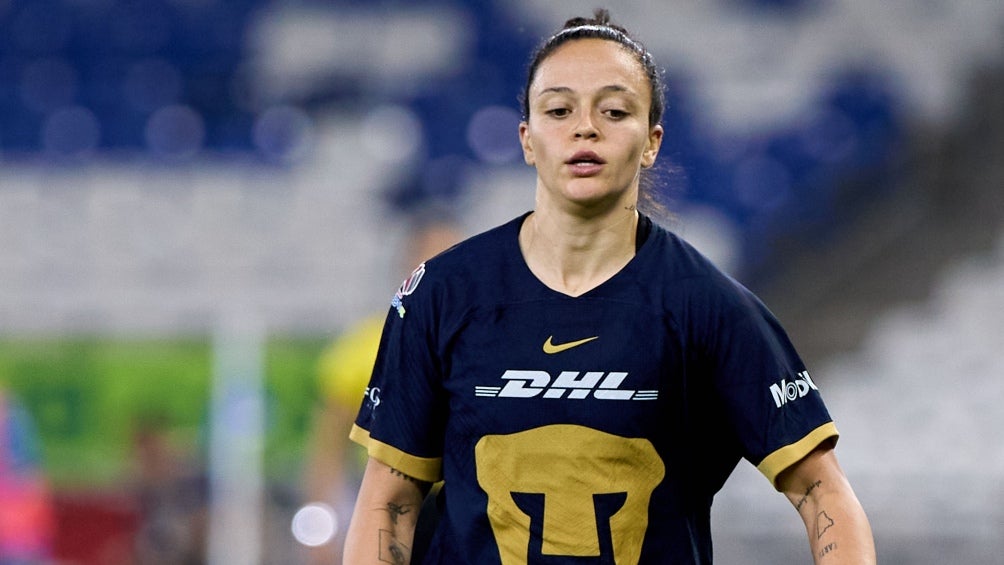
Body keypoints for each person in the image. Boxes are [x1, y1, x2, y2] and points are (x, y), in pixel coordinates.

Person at [344, 9, 876, 565]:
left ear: (651, 142)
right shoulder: (441, 295)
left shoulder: (709, 306)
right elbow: (389, 503)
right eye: (559, 110)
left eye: (615, 111)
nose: (585, 128)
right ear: (527, 139)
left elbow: (823, 492)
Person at [302, 213, 463, 564]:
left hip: (467, 509)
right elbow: (328, 449)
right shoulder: (364, 346)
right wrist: (320, 524)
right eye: (434, 259)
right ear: (408, 268)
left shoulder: (485, 344)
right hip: (393, 504)